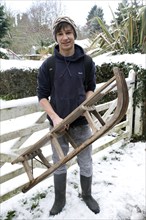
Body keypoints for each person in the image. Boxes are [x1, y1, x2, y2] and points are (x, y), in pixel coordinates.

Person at [37, 16, 100, 216]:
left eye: (69, 32)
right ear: (56, 37)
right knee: (59, 163)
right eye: (60, 34)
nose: (65, 37)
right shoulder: (48, 65)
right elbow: (42, 97)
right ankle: (59, 200)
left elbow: (91, 88)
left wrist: (84, 105)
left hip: (81, 123)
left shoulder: (87, 62)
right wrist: (55, 118)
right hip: (58, 126)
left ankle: (87, 195)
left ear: (74, 34)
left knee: (86, 160)